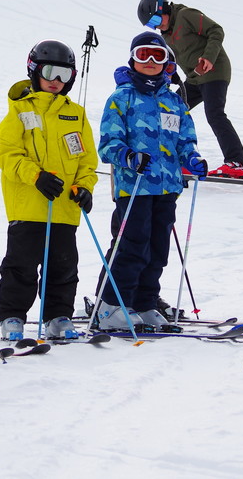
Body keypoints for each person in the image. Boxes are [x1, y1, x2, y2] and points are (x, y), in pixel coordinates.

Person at [95, 31, 207, 331]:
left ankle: (145, 303)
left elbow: (184, 141)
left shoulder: (174, 101)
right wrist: (129, 157)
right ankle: (112, 306)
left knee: (158, 248)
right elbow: (107, 145)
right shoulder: (122, 98)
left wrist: (192, 159)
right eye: (144, 55)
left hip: (167, 187)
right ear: (133, 58)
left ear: (166, 62)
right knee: (133, 246)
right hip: (134, 188)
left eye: (158, 56)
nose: (151, 62)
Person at [0, 40, 98, 342]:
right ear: (34, 71)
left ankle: (58, 316)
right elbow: (6, 152)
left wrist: (84, 187)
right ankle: (12, 316)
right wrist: (35, 176)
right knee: (21, 266)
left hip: (64, 209)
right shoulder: (20, 110)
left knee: (63, 268)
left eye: (64, 75)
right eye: (50, 72)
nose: (56, 81)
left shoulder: (75, 114)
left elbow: (87, 161)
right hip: (28, 206)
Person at [137, 0, 243, 179]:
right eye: (151, 25)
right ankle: (178, 159)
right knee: (172, 111)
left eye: (155, 19)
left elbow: (216, 30)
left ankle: (238, 163)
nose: (156, 25)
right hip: (194, 78)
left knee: (215, 114)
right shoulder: (166, 35)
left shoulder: (186, 15)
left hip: (215, 71)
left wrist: (209, 57)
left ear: (163, 9)